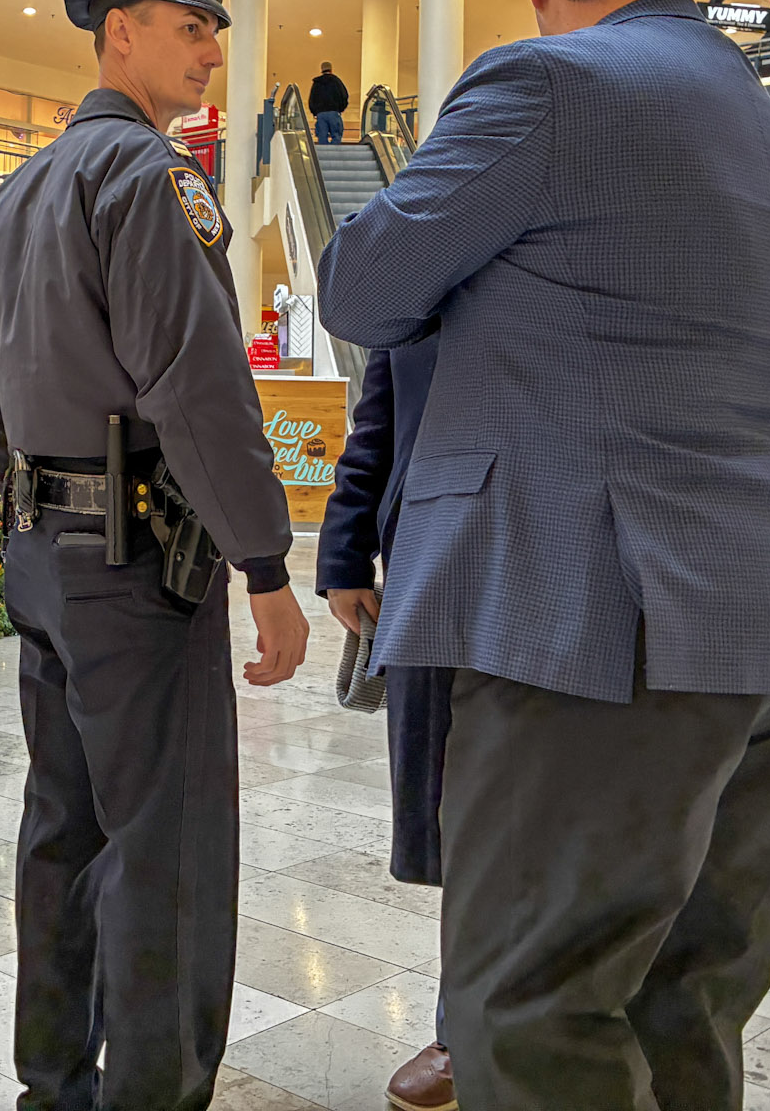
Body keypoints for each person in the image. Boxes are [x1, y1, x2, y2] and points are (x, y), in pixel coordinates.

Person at [317, 0, 770, 1111]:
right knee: (687, 998)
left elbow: (361, 287)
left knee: (534, 1004)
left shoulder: (542, 81)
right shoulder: (753, 113)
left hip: (606, 622)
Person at [0, 0, 311, 1111]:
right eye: (189, 23)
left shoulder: (16, 189)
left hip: (45, 553)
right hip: (137, 568)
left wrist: (32, 516)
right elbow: (199, 389)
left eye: (214, 25)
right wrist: (264, 564)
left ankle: (51, 1082)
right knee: (162, 847)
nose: (212, 47)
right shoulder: (152, 180)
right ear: (119, 31)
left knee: (60, 829)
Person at [314, 340, 456, 1111]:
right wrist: (344, 551)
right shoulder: (421, 267)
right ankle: (463, 1027)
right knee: (444, 805)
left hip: (556, 555)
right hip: (428, 566)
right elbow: (377, 423)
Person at [308, 60, 350, 143]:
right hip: (334, 112)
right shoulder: (336, 81)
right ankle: (334, 153)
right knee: (336, 135)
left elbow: (312, 99)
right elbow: (344, 96)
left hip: (320, 114)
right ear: (331, 70)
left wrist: (314, 112)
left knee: (322, 136)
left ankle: (324, 154)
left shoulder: (317, 83)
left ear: (322, 70)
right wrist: (341, 108)